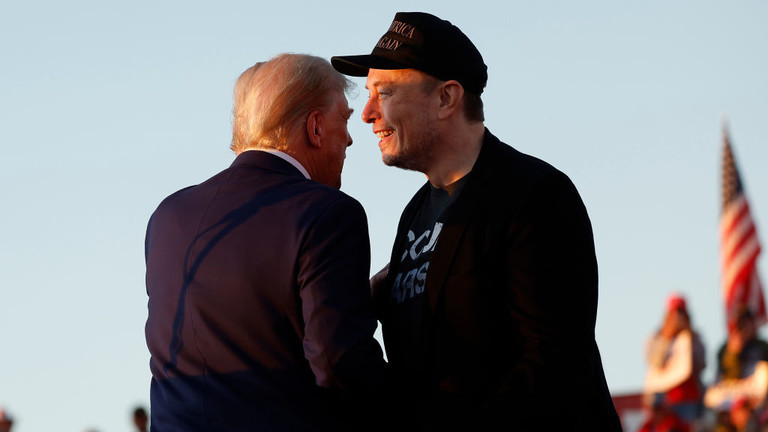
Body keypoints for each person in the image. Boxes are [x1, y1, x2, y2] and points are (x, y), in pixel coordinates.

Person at [331, 11, 622, 431]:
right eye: (369, 92)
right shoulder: (413, 215)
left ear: (447, 98)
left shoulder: (536, 194)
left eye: (386, 92)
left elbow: (554, 362)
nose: (367, 112)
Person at [145, 53, 388, 432]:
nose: (351, 138)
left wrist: (358, 301)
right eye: (343, 119)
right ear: (316, 127)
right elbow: (338, 361)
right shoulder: (328, 213)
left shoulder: (168, 216)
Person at [644, 294, 707, 424]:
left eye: (681, 313)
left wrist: (689, 340)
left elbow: (701, 365)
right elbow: (654, 362)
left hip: (687, 397)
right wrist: (667, 337)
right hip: (662, 399)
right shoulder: (655, 338)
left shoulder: (694, 338)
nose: (678, 318)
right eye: (674, 313)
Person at [705, 307, 768, 417]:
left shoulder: (762, 348)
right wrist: (733, 355)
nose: (742, 329)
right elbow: (727, 378)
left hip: (756, 402)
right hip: (731, 400)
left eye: (745, 324)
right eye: (739, 325)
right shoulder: (725, 349)